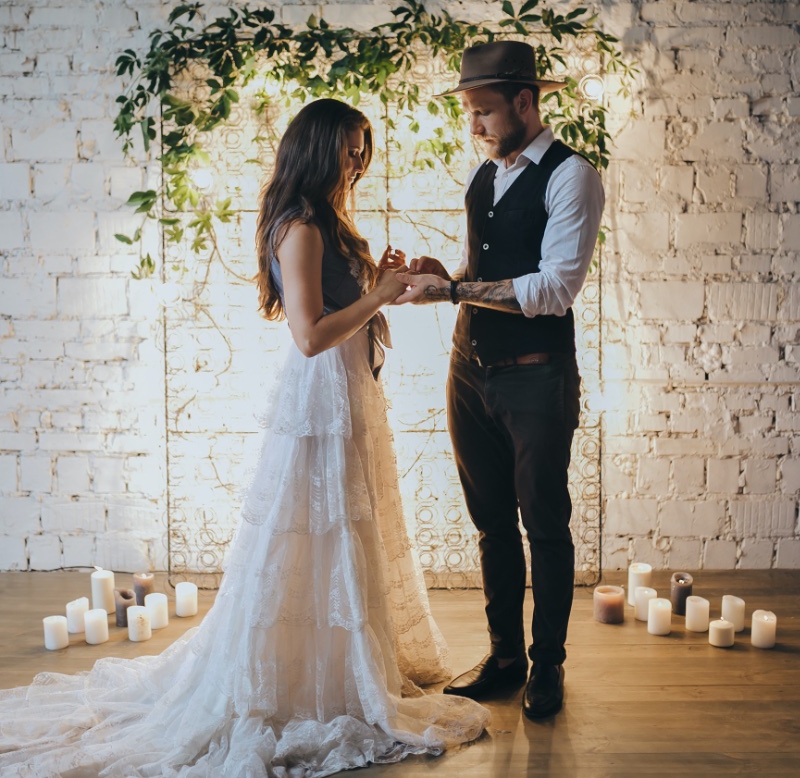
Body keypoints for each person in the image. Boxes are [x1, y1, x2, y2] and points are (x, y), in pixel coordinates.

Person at [0, 98, 489, 777]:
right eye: (349, 149)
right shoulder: (301, 228)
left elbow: (347, 312)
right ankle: (307, 677)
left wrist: (385, 284)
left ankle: (340, 663)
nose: (357, 162)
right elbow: (312, 336)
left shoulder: (329, 220)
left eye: (361, 149)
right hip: (320, 399)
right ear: (317, 150)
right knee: (313, 530)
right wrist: (377, 297)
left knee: (346, 530)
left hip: (351, 394)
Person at [395, 41, 605, 719]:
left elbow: (553, 289)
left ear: (525, 101)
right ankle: (506, 656)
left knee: (544, 523)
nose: (475, 126)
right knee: (491, 524)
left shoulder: (573, 176)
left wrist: (453, 289)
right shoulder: (487, 176)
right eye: (469, 113)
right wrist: (446, 271)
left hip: (535, 378)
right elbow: (484, 265)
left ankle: (548, 666)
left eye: (485, 112)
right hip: (470, 370)